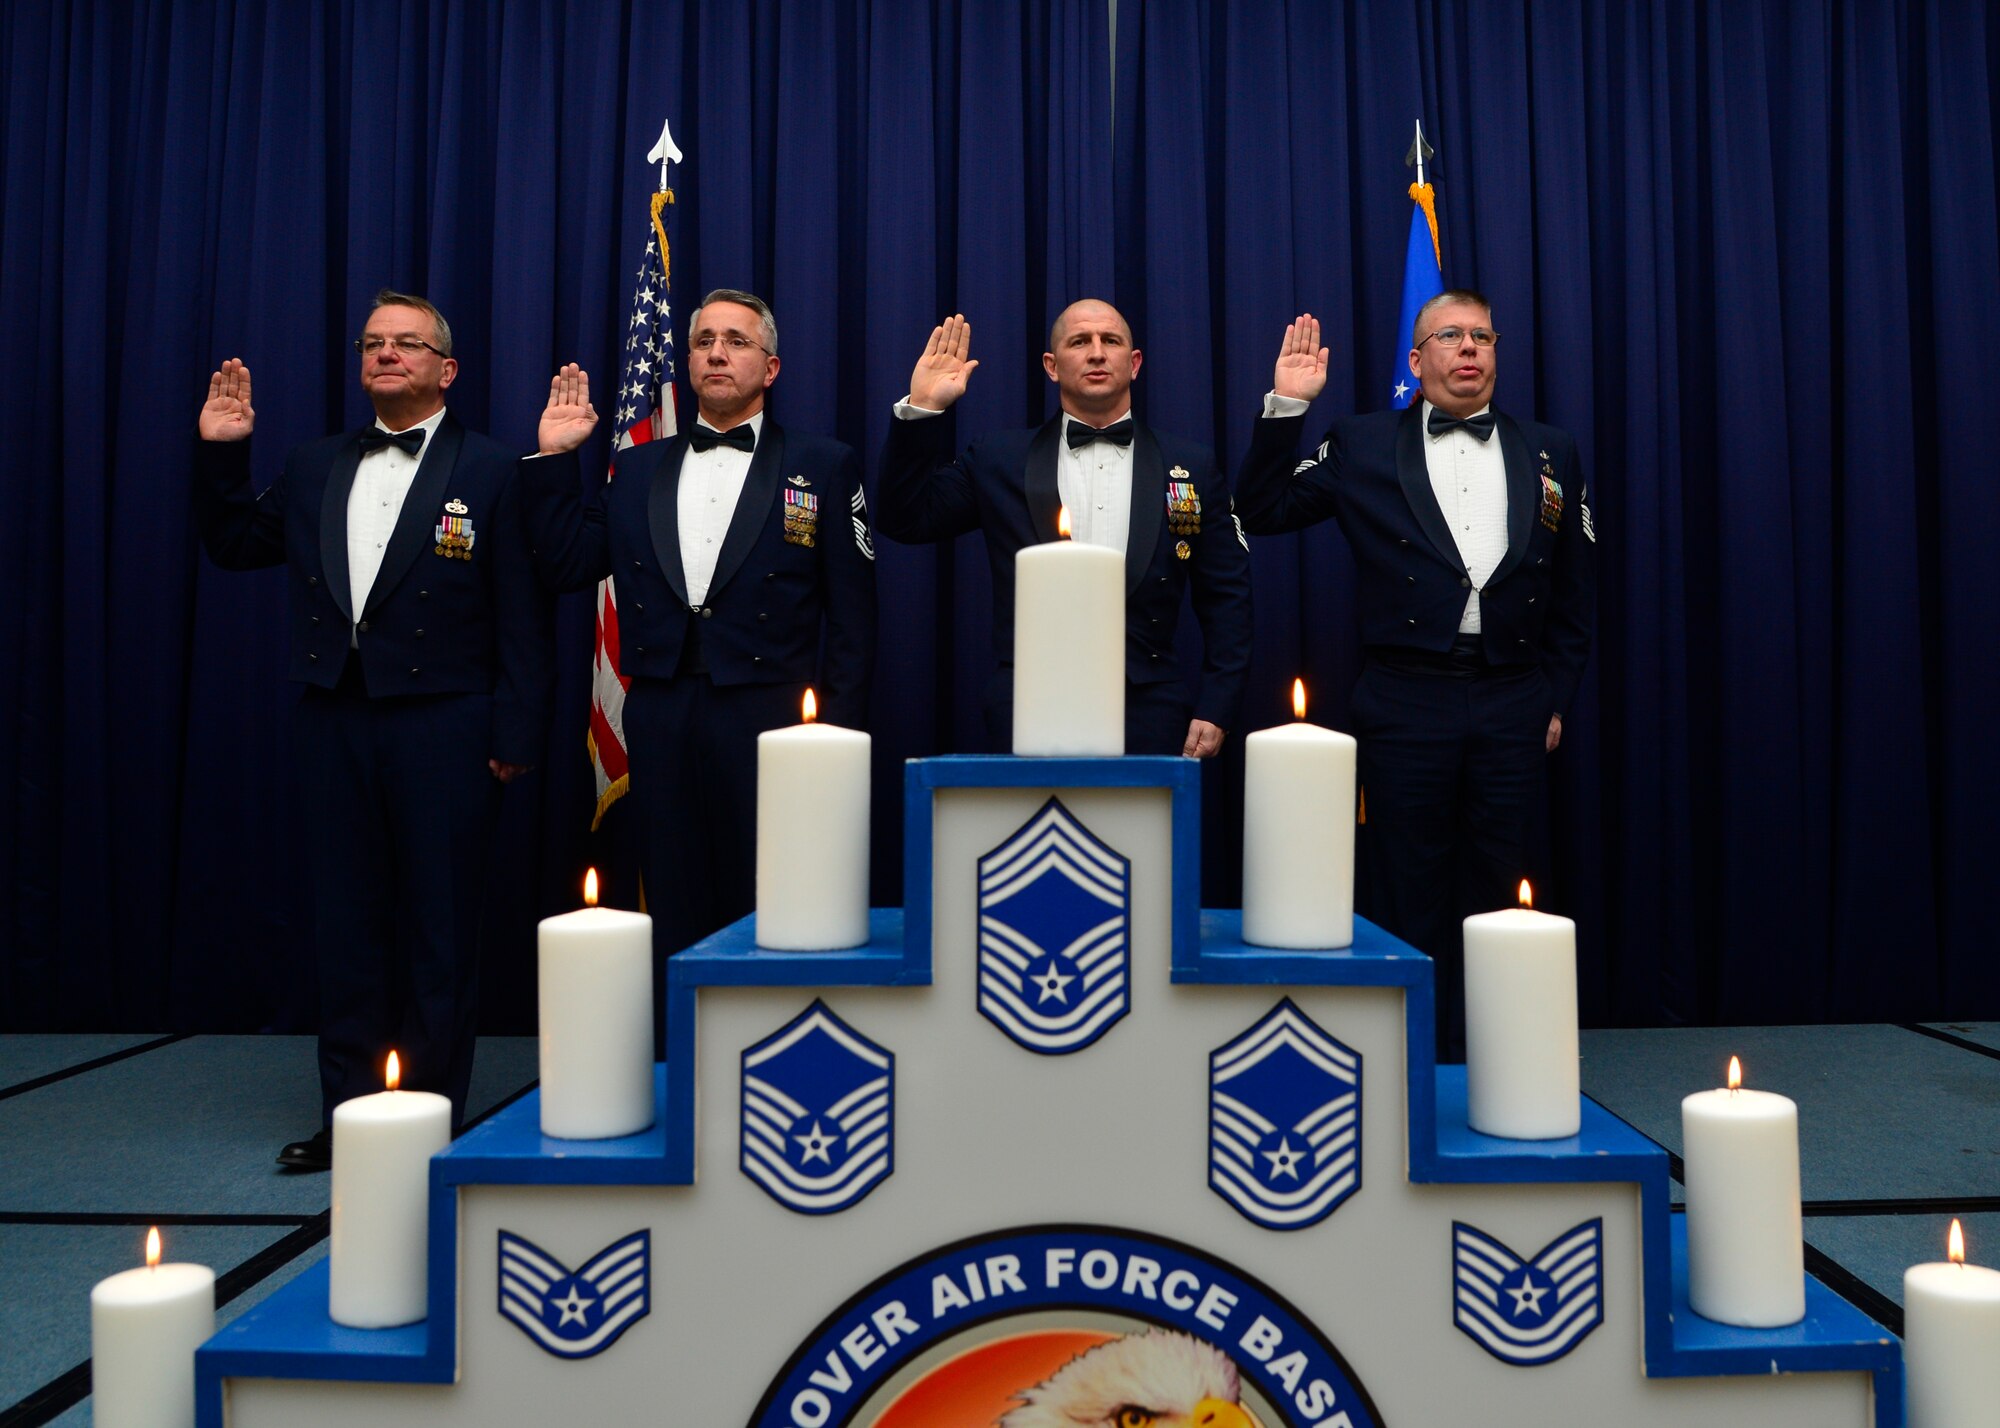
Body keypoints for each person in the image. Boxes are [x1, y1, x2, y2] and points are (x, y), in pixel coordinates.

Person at [193, 289, 555, 1169]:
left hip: (449, 725)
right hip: (336, 718)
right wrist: (222, 454)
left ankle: (427, 1115)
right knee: (347, 928)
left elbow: (523, 614)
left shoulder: (493, 468)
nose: (386, 354)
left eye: (406, 343)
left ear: (446, 368)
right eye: (372, 343)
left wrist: (515, 731)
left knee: (440, 931)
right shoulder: (314, 462)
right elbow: (235, 545)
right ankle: (350, 1116)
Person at [1235, 293, 1596, 1060]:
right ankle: (1409, 1058)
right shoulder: (1363, 441)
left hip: (1512, 697)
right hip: (1405, 697)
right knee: (1407, 884)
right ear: (1416, 358)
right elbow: (1261, 509)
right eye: (1450, 336)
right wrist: (1287, 407)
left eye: (1482, 336)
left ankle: (1496, 1059)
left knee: (1502, 884)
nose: (1468, 349)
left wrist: (1556, 699)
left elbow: (1575, 592)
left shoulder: (1551, 449)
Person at [523, 290, 876, 1051]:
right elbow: (566, 565)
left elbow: (853, 621)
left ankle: (774, 1058)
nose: (717, 353)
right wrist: (555, 462)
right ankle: (686, 1064)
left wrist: (836, 742)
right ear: (685, 361)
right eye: (704, 340)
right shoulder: (635, 467)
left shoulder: (823, 464)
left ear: (770, 368)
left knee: (769, 899)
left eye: (737, 341)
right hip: (660, 714)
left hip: (774, 723)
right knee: (674, 898)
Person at [876, 303, 1251, 755]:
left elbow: (1227, 597)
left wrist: (1217, 706)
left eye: (1110, 341)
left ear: (1134, 363)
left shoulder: (1191, 465)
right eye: (1079, 342)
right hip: (1028, 702)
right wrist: (923, 409)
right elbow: (904, 519)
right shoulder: (998, 458)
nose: (1097, 353)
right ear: (1051, 367)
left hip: (1151, 707)